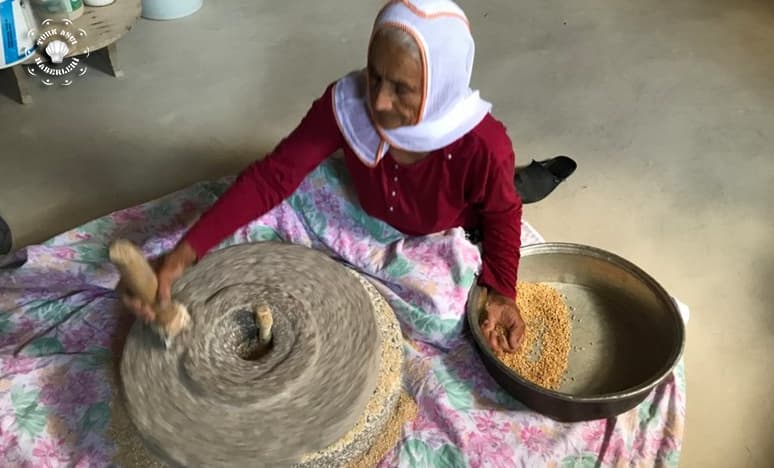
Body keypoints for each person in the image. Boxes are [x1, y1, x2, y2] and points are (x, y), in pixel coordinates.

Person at [122, 0, 526, 354]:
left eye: (402, 89)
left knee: (444, 318)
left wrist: (503, 292)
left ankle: (350, 274)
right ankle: (181, 269)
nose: (379, 101)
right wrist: (185, 253)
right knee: (235, 223)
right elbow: (273, 178)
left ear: (442, 88)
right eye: (375, 74)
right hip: (358, 210)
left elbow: (504, 216)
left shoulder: (482, 146)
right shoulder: (348, 103)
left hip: (428, 238)